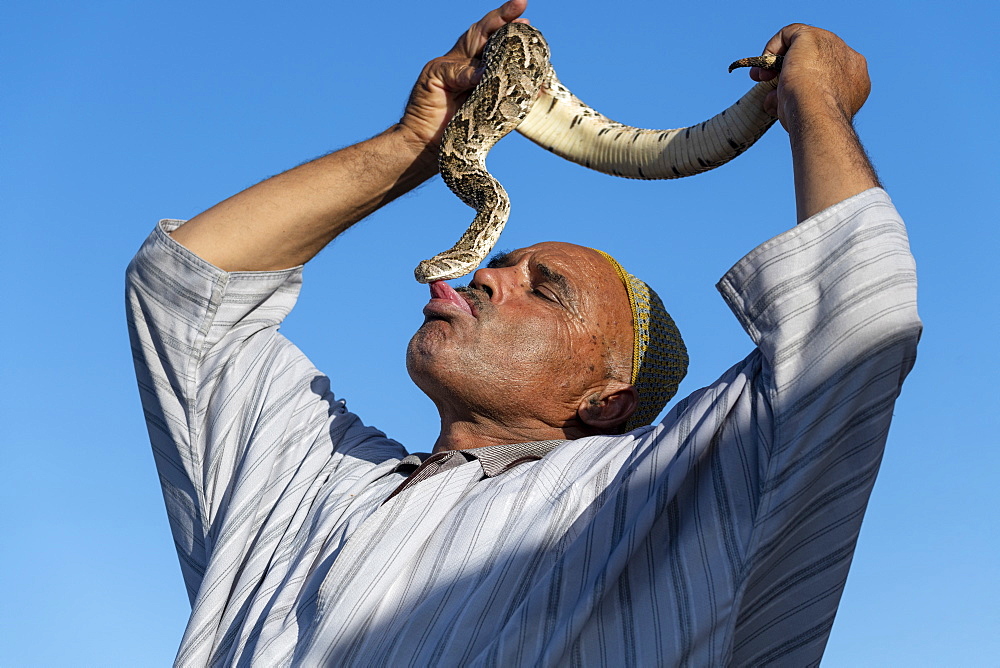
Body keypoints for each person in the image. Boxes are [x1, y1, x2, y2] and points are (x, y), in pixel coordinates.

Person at [126, 1, 921, 665]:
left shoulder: (653, 504)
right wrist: (416, 145)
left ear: (607, 402)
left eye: (546, 291)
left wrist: (814, 105)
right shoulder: (308, 485)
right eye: (500, 261)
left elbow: (857, 317)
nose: (489, 276)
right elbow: (190, 288)